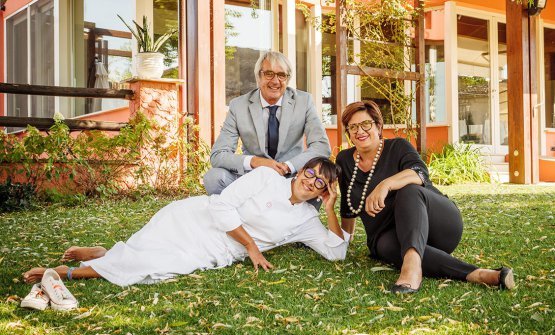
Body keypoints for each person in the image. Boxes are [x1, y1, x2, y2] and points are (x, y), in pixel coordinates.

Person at [23, 158, 348, 287]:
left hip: (216, 248)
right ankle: (78, 268)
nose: (312, 181)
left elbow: (337, 253)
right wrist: (252, 246)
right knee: (147, 250)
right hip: (195, 217)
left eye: (322, 183)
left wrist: (332, 210)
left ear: (324, 191)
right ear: (301, 170)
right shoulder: (266, 176)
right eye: (311, 172)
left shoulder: (307, 218)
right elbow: (221, 206)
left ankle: (87, 263)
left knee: (157, 265)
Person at [335, 101, 514, 294]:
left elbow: (420, 173)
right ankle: (478, 274)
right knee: (384, 247)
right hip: (388, 236)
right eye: (353, 127)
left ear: (378, 126)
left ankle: (411, 268)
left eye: (366, 124)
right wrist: (346, 241)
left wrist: (385, 184)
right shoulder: (345, 160)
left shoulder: (398, 146)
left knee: (409, 189)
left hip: (437, 224)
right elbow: (348, 206)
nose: (359, 131)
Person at [203, 51, 331, 195]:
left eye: (281, 75)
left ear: (287, 79)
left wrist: (288, 166)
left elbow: (322, 146)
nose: (275, 81)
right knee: (214, 177)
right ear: (258, 76)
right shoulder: (238, 106)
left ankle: (297, 216)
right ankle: (236, 216)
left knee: (318, 179)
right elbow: (218, 155)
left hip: (290, 179)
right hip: (251, 177)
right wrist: (255, 161)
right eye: (269, 74)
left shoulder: (304, 101)